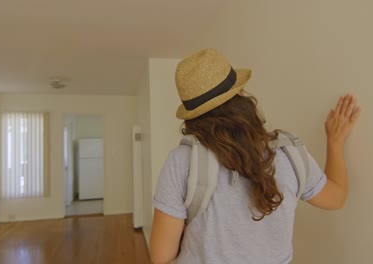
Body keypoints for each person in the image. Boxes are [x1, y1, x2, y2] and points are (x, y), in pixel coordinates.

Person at [149, 48, 361, 264]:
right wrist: (335, 142)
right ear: (241, 95)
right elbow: (336, 198)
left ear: (192, 117)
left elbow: (161, 256)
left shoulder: (182, 161)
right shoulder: (289, 153)